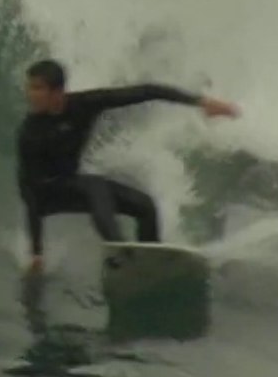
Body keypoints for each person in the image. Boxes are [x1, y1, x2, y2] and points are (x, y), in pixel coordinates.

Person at [16, 59, 240, 272]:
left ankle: (150, 260)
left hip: (74, 186)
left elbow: (146, 91)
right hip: (44, 194)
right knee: (95, 185)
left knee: (145, 206)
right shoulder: (30, 132)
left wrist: (200, 102)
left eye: (37, 88)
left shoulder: (84, 104)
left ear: (57, 92)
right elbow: (29, 190)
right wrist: (37, 251)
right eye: (30, 88)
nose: (30, 94)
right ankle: (119, 252)